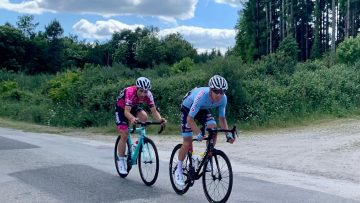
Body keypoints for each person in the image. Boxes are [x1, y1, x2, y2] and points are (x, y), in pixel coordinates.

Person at [175, 75, 235, 186]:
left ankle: (207, 156)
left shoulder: (223, 99)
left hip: (201, 109)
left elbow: (222, 118)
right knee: (187, 141)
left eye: (222, 92)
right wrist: (198, 133)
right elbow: (190, 119)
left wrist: (228, 134)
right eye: (216, 91)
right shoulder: (202, 96)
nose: (219, 94)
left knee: (213, 127)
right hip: (187, 109)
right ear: (211, 89)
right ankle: (178, 169)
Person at [115, 77, 166, 175]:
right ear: (137, 88)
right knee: (124, 134)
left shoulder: (148, 95)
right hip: (121, 109)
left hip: (132, 106)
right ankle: (121, 160)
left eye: (145, 92)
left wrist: (160, 120)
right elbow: (126, 112)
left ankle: (137, 143)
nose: (143, 94)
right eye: (141, 91)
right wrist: (132, 119)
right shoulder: (130, 92)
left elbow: (154, 111)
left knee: (144, 116)